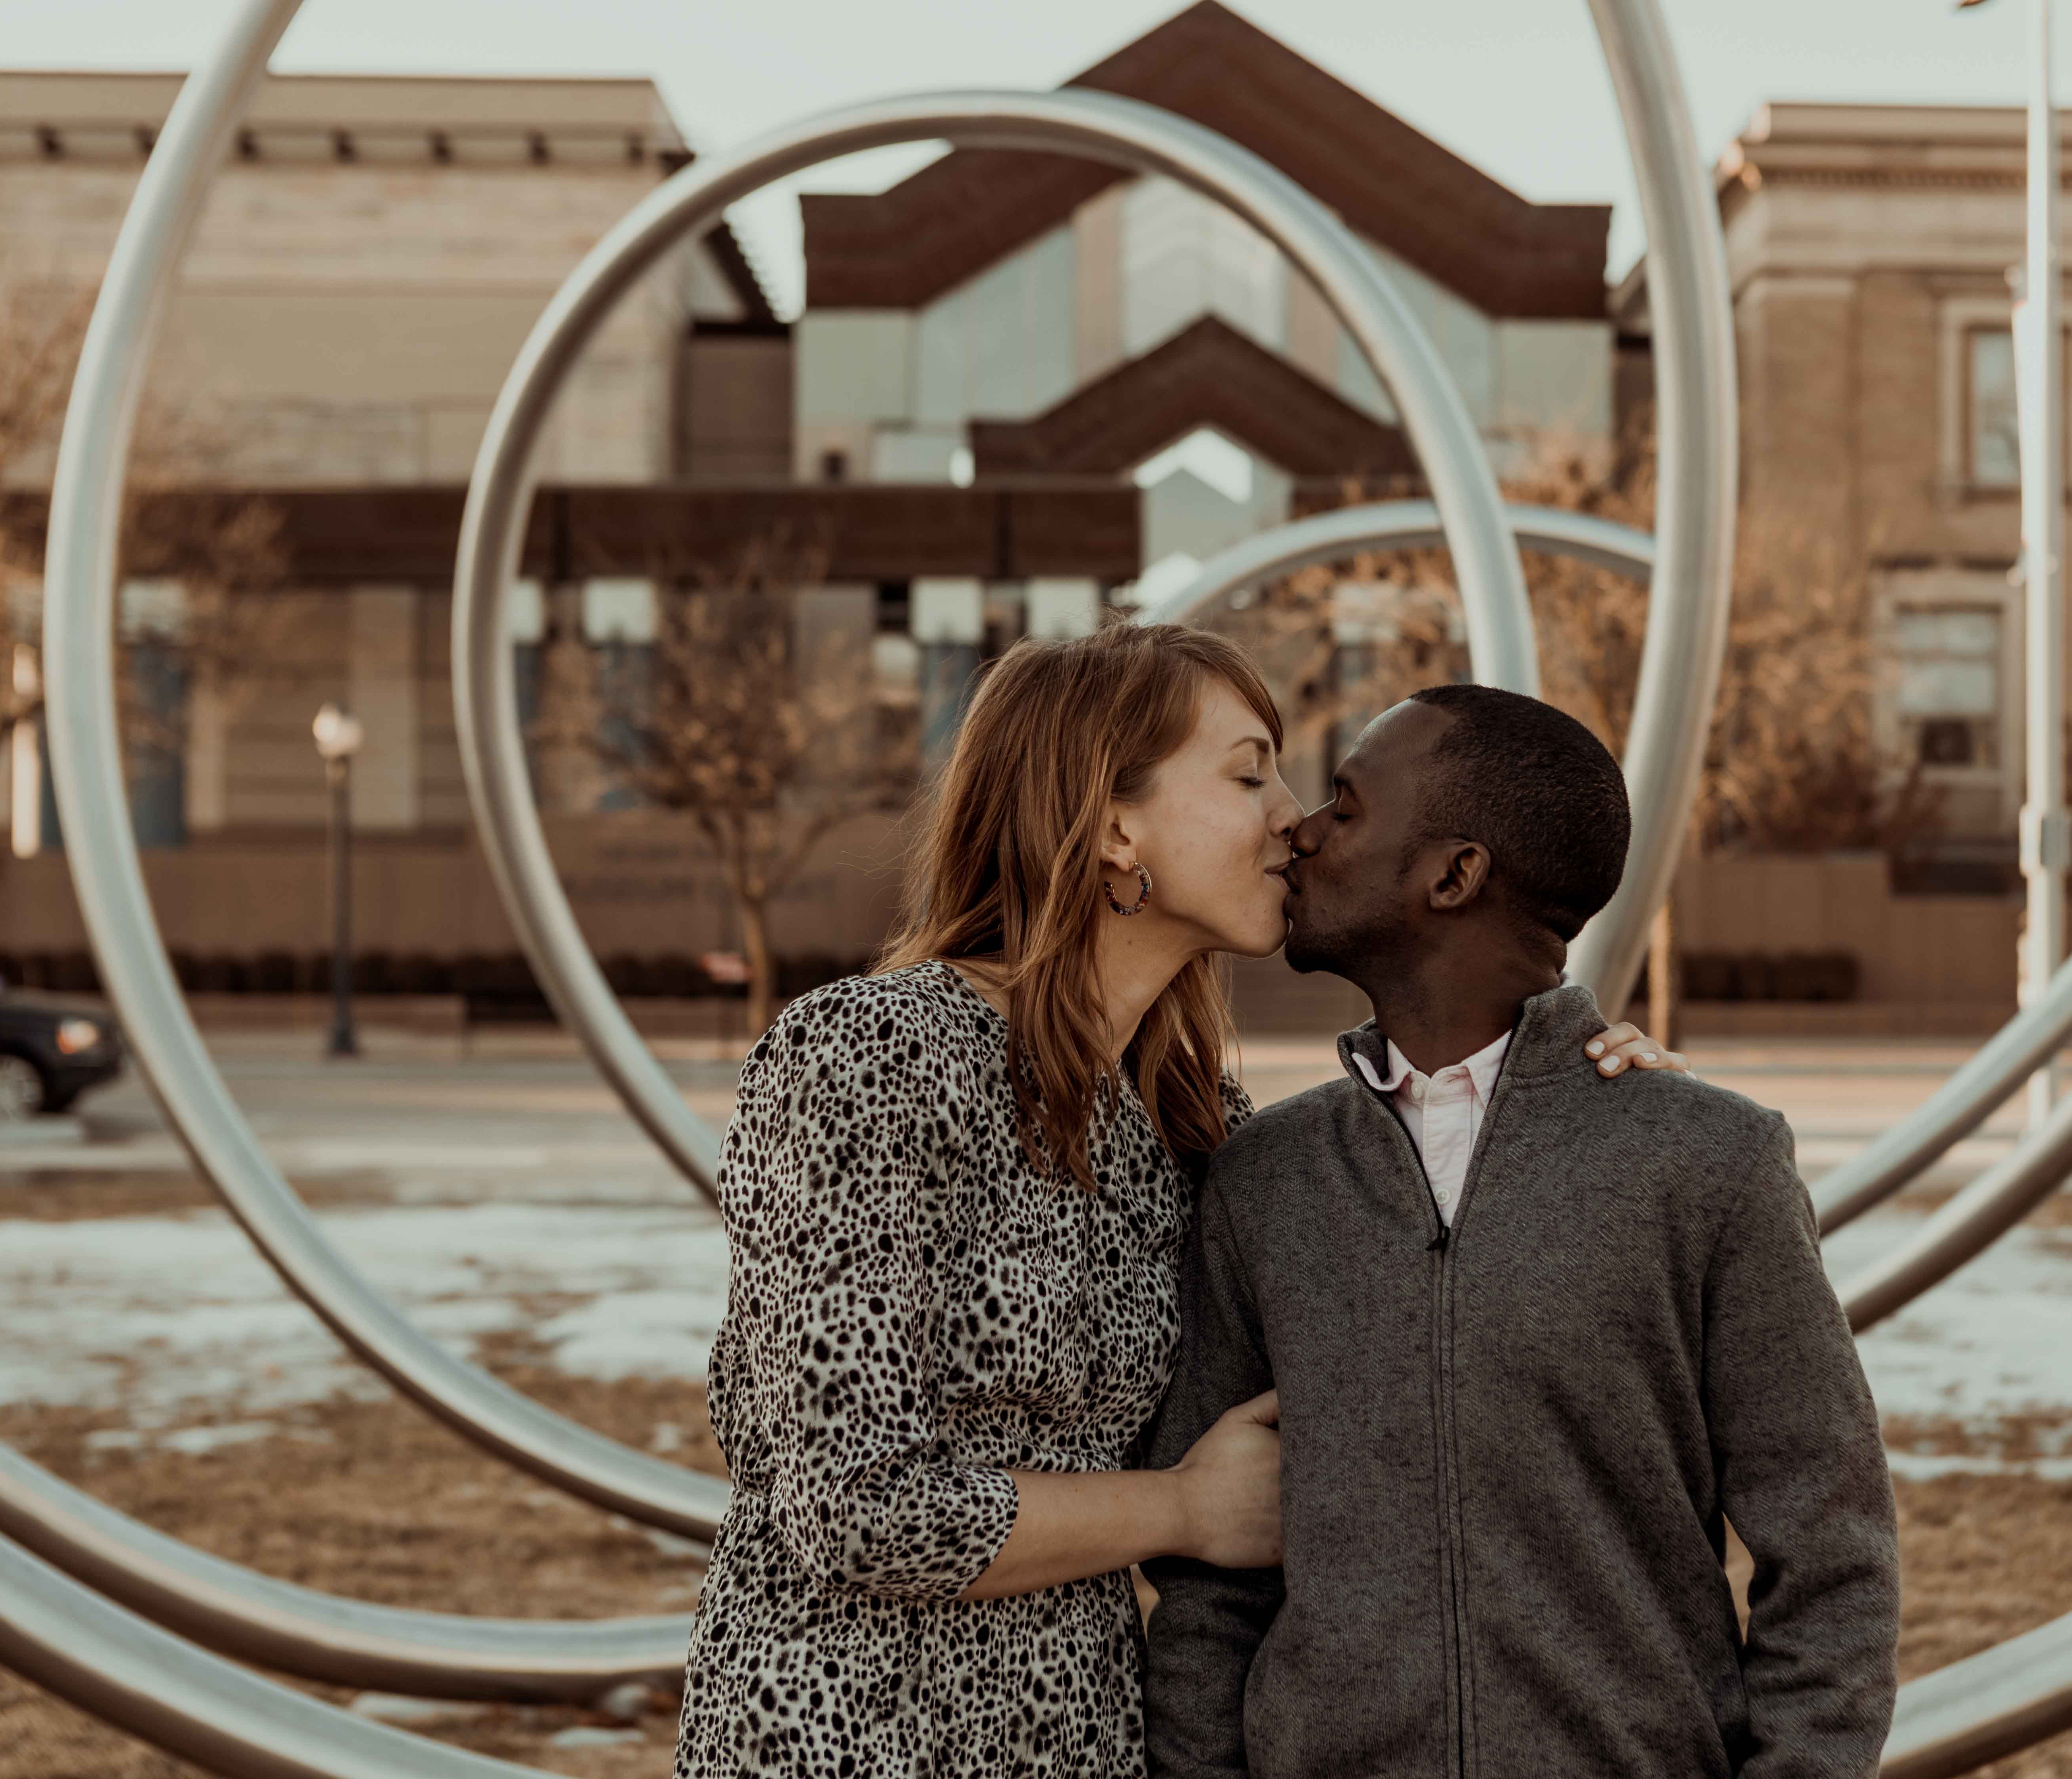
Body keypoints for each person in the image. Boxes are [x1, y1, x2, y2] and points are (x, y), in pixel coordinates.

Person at [675, 627, 1677, 1779]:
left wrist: (1576, 1096)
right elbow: (854, 1505)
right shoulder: (868, 1057)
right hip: (841, 1737)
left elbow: (1408, 1327)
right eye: (1250, 773)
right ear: (1113, 822)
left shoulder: (1191, 1121)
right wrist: (1184, 1512)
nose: (1294, 817)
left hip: (1084, 1744)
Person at [1143, 685, 1902, 1779]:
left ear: (1452, 876)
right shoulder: (1263, 1179)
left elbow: (1831, 1553)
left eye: (1348, 808)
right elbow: (1209, 1596)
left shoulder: (1707, 1165)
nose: (1300, 828)